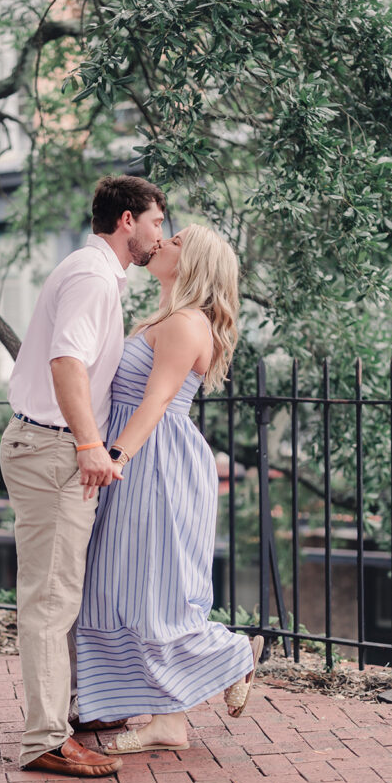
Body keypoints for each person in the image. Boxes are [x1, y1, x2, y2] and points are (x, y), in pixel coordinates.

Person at [0, 174, 165, 776]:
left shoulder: (92, 273)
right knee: (50, 598)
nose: (158, 235)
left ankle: (71, 711)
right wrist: (91, 444)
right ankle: (44, 738)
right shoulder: (94, 278)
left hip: (48, 447)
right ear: (127, 221)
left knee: (63, 591)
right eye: (154, 222)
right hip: (53, 450)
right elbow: (65, 360)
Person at [75, 224, 264, 753]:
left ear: (194, 263)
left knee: (155, 591)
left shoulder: (185, 323)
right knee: (121, 587)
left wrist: (114, 457)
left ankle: (218, 671)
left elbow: (156, 401)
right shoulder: (162, 317)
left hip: (155, 463)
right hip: (138, 460)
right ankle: (159, 709)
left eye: (176, 240)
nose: (162, 242)